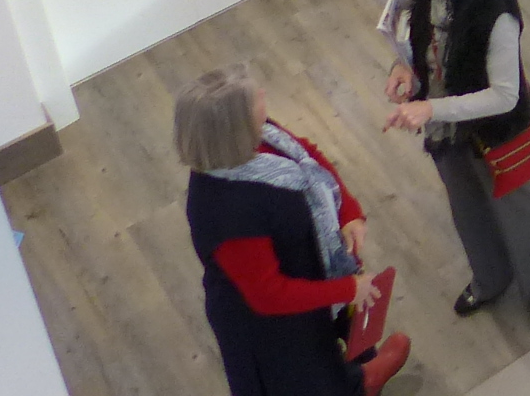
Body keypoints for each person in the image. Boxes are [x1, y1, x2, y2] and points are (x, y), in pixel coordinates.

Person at [380, 0, 530, 330]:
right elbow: (417, 41)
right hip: (446, 126)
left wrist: (430, 108)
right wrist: (401, 65)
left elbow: (504, 95)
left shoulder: (496, 10)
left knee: (518, 205)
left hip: (495, 130)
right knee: (466, 205)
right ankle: (490, 277)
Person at [175, 66, 411, 396]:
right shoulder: (225, 210)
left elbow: (307, 156)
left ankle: (359, 376)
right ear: (232, 126)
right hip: (268, 324)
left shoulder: (260, 135)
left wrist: (348, 213)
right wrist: (345, 289)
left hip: (309, 272)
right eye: (253, 99)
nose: (263, 96)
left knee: (337, 341)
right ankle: (361, 383)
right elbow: (269, 294)